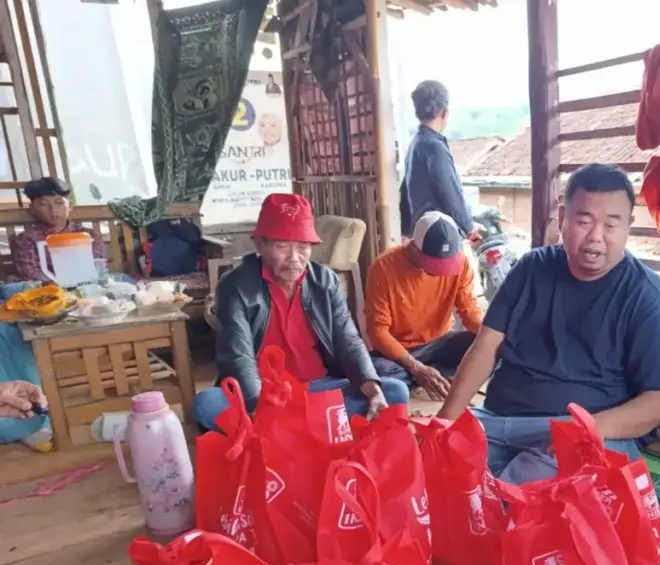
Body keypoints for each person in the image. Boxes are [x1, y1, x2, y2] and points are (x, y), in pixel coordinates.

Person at [436, 163, 660, 484]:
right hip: (498, 422)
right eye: (584, 221)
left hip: (589, 433)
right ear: (562, 218)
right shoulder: (532, 268)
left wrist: (585, 428)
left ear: (628, 225)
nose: (595, 237)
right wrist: (446, 419)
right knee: (435, 473)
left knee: (518, 498)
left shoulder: (650, 298)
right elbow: (486, 346)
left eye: (611, 225)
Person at [192, 193, 408, 430]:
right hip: (262, 396)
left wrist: (371, 385)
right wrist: (259, 408)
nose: (294, 258)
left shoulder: (325, 282)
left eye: (303, 247)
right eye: (282, 246)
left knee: (394, 391)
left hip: (318, 388)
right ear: (260, 245)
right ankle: (311, 424)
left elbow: (348, 339)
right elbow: (238, 356)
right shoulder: (235, 286)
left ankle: (296, 425)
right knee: (206, 404)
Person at [366, 211, 482, 399]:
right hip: (399, 353)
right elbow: (378, 332)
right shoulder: (383, 268)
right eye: (434, 263)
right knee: (375, 372)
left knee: (485, 347)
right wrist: (415, 367)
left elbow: (469, 310)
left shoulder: (461, 262)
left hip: (441, 343)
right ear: (413, 246)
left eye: (446, 263)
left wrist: (496, 339)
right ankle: (427, 374)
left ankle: (424, 376)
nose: (440, 271)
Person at [399, 80, 477, 240]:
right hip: (441, 236)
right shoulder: (435, 147)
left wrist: (407, 228)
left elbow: (405, 189)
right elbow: (450, 192)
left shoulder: (415, 144)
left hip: (422, 233)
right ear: (444, 112)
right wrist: (469, 227)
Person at [8, 177, 105, 284]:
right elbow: (29, 273)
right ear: (32, 209)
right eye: (43, 204)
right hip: (46, 290)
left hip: (84, 286)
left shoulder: (89, 235)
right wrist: (58, 284)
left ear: (70, 206)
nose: (53, 210)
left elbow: (95, 266)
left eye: (59, 203)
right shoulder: (26, 238)